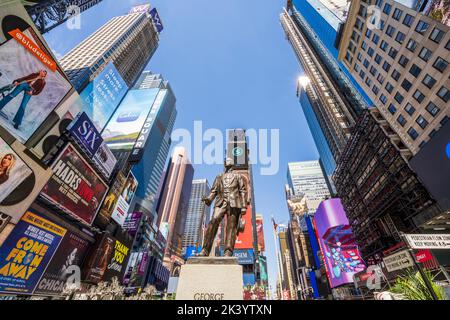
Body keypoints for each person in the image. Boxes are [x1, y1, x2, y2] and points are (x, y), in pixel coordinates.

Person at [199, 157, 249, 257]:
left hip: (234, 203)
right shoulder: (219, 177)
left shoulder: (238, 176)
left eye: (228, 160)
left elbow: (242, 191)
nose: (226, 161)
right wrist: (208, 199)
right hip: (221, 202)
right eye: (226, 160)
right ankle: (205, 250)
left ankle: (228, 251)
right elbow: (214, 191)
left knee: (231, 227)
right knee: (214, 220)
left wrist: (243, 206)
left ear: (232, 164)